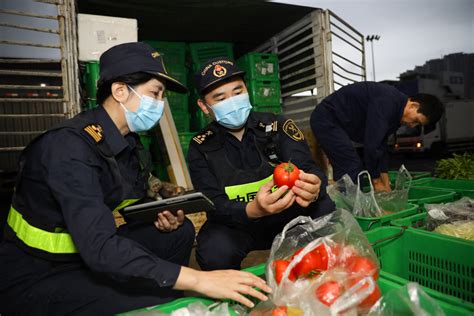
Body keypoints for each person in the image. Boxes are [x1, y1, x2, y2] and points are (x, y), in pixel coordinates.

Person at [0, 43, 270, 315]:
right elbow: (101, 247)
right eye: (155, 93)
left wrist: (158, 215)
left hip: (85, 251)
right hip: (40, 272)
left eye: (162, 96)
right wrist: (199, 279)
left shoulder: (129, 146)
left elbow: (127, 207)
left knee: (180, 231)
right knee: (154, 305)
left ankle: (158, 292)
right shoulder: (69, 148)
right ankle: (154, 299)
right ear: (120, 91)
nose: (160, 104)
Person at [187, 57, 335, 271]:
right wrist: (252, 209)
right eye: (220, 98)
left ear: (247, 91)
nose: (232, 101)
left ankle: (320, 271)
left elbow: (309, 168)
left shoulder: (278, 125)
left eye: (237, 92)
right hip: (240, 225)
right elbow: (212, 203)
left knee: (325, 207)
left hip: (288, 216)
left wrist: (314, 186)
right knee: (213, 249)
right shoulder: (200, 146)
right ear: (204, 106)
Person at [310, 81, 444, 192]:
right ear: (414, 105)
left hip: (337, 124)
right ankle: (345, 212)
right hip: (326, 119)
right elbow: (372, 144)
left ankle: (342, 202)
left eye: (417, 125)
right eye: (416, 121)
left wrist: (385, 181)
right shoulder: (388, 101)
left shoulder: (396, 115)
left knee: (351, 171)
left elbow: (381, 147)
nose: (412, 126)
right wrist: (376, 181)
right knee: (351, 168)